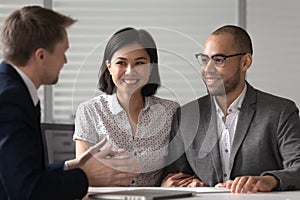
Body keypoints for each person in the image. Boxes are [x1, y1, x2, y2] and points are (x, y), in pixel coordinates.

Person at [0, 6, 139, 200]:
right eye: (63, 52)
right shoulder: (9, 100)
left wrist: (73, 165)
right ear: (41, 55)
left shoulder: (15, 90)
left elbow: (21, 173)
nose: (65, 61)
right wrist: (86, 177)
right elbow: (26, 191)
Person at [161, 25, 300, 193]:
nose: (208, 70)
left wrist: (270, 180)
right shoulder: (186, 116)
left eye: (219, 60)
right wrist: (181, 184)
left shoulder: (280, 112)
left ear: (245, 62)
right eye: (205, 60)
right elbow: (175, 176)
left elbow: (297, 168)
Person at [73, 27, 179, 187]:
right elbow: (83, 177)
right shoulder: (89, 111)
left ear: (151, 68)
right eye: (121, 63)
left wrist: (166, 188)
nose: (130, 71)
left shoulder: (170, 111)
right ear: (109, 67)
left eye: (140, 63)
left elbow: (177, 171)